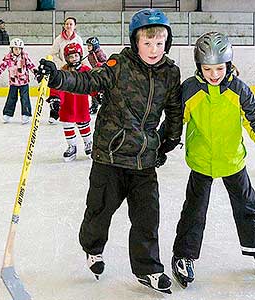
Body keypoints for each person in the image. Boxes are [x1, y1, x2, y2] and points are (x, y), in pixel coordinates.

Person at [36, 8, 182, 294]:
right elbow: (88, 81)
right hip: (109, 156)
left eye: (160, 43)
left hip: (143, 160)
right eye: (147, 43)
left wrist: (165, 144)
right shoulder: (118, 65)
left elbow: (175, 113)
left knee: (147, 216)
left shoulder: (170, 73)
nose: (154, 50)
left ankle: (149, 269)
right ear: (135, 42)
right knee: (100, 210)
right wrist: (57, 79)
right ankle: (92, 248)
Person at [170, 32, 255, 289]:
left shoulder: (238, 89)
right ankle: (184, 255)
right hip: (201, 161)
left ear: (229, 64)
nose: (214, 74)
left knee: (247, 206)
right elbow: (175, 120)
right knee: (194, 210)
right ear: (199, 66)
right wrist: (163, 144)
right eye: (208, 68)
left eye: (220, 68)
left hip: (233, 160)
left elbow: (254, 120)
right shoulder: (190, 89)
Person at [47, 43, 92, 161]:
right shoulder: (63, 71)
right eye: (71, 56)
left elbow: (93, 84)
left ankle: (89, 143)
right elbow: (57, 86)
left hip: (81, 103)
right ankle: (72, 146)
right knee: (67, 125)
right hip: (67, 104)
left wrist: (98, 94)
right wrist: (55, 98)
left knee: (83, 125)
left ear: (80, 55)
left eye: (76, 56)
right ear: (66, 58)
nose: (74, 59)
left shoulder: (86, 70)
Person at [49, 16, 84, 124]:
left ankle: (73, 113)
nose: (68, 26)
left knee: (72, 94)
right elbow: (53, 54)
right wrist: (62, 64)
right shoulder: (58, 39)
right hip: (62, 69)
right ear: (64, 25)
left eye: (71, 24)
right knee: (58, 91)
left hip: (74, 70)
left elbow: (81, 54)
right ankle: (54, 114)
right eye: (67, 24)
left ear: (75, 26)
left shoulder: (78, 39)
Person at [0, 38, 37, 124]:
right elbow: (2, 65)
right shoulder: (8, 57)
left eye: (19, 49)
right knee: (11, 98)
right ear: (12, 49)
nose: (17, 50)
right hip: (13, 82)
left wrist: (36, 72)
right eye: (15, 48)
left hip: (24, 82)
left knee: (25, 99)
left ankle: (26, 114)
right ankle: (8, 114)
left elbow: (30, 65)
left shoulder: (24, 56)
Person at [86, 36, 108, 114]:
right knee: (93, 90)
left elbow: (106, 63)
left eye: (89, 45)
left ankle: (105, 105)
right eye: (87, 45)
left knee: (102, 91)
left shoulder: (99, 53)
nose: (88, 47)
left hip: (102, 74)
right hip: (95, 74)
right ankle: (94, 106)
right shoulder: (90, 55)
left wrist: (100, 65)